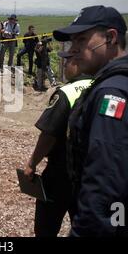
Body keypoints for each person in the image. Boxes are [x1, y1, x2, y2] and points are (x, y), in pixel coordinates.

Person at [55, 5, 128, 237]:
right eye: (72, 42)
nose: (73, 49)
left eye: (81, 40)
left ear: (110, 38)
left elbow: (105, 186)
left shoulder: (114, 92)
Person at [25, 50, 92, 237]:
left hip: (61, 172)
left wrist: (31, 164)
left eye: (67, 61)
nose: (64, 66)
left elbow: (49, 134)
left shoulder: (67, 92)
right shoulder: (101, 86)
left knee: (46, 226)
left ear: (77, 63)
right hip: (90, 172)